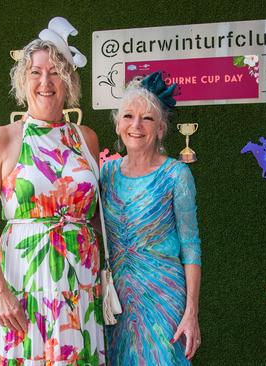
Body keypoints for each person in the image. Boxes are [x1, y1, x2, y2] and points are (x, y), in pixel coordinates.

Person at [0, 22, 105, 364]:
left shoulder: (85, 138)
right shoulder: (2, 140)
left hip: (80, 285)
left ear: (69, 82)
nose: (45, 82)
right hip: (23, 287)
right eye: (35, 72)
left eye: (56, 73)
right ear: (23, 79)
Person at [102, 72, 202, 365]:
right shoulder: (106, 174)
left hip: (163, 297)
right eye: (128, 116)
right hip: (116, 300)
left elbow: (191, 244)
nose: (136, 125)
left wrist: (191, 312)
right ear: (118, 124)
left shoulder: (176, 175)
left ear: (160, 129)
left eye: (146, 119)